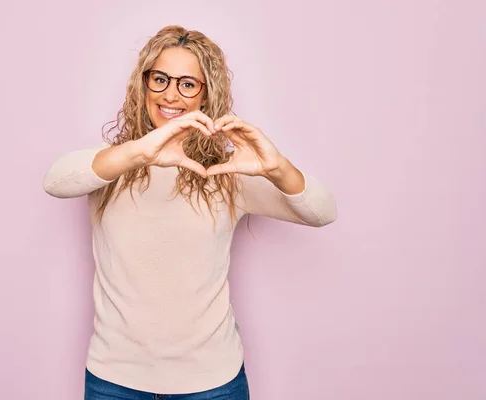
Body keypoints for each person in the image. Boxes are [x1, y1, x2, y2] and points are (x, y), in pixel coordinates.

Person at [43, 25, 337, 400]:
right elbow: (56, 181)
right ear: (143, 84)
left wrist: (277, 167)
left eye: (187, 84)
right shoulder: (112, 164)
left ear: (205, 94)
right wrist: (139, 153)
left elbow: (322, 211)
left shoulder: (227, 174)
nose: (171, 94)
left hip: (213, 383)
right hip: (114, 380)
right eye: (160, 79)